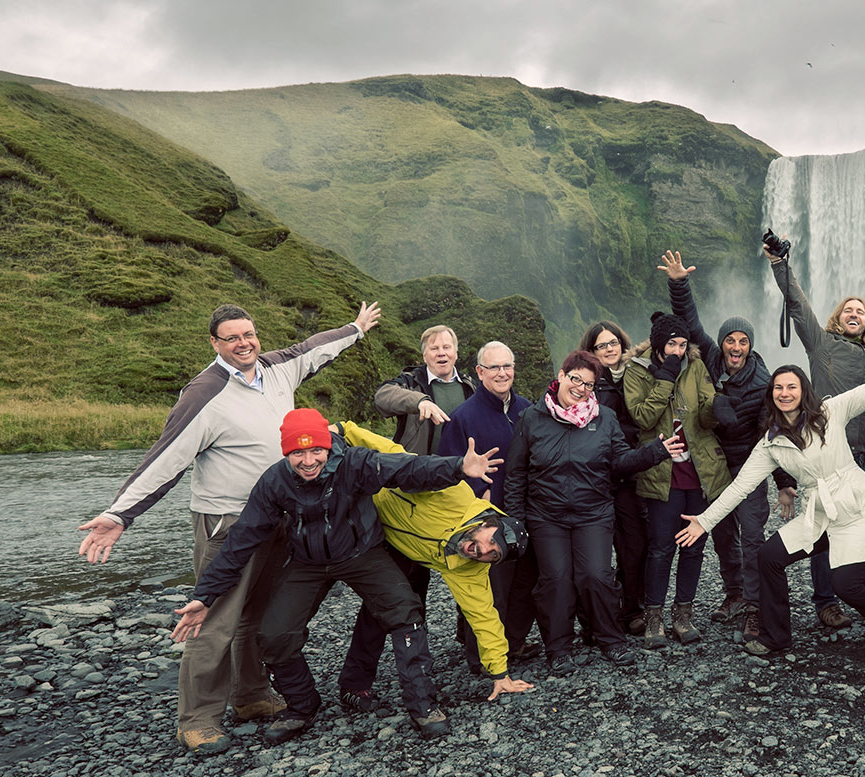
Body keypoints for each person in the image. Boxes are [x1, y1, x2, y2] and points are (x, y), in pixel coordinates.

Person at [77, 300, 381, 754]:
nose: (244, 343)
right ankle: (197, 718)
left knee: (257, 614)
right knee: (214, 617)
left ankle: (252, 696)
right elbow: (167, 457)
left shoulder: (277, 369)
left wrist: (355, 328)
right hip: (227, 520)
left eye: (249, 334)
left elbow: (314, 348)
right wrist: (122, 514)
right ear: (215, 343)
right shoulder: (204, 394)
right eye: (232, 337)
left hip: (280, 514)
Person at [170, 408, 504, 742]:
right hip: (306, 562)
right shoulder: (275, 482)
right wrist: (205, 596)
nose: (309, 460)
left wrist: (458, 466)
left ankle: (423, 705)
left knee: (405, 611)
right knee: (273, 633)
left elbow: (406, 468)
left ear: (329, 446)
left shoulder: (355, 464)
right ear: (286, 452)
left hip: (362, 554)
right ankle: (301, 705)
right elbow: (241, 541)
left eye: (316, 450)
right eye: (298, 453)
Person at [674, 328, 865, 656]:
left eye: (792, 387)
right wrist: (704, 521)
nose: (785, 393)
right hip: (819, 512)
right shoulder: (771, 442)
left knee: (846, 585)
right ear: (771, 394)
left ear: (803, 391)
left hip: (856, 505)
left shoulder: (830, 412)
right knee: (769, 557)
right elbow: (741, 486)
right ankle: (776, 636)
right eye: (779, 388)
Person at [766, 236, 865, 630]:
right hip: (830, 459)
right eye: (848, 310)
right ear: (838, 317)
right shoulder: (821, 345)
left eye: (861, 311)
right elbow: (798, 307)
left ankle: (862, 595)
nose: (855, 313)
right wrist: (779, 265)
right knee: (823, 530)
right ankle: (826, 601)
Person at [334, 422, 537, 710]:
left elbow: (484, 616)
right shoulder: (453, 494)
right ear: (486, 523)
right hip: (366, 508)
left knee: (407, 611)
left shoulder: (470, 567)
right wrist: (347, 431)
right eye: (490, 540)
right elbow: (398, 456)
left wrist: (500, 673)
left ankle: (415, 691)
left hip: (407, 550)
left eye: (494, 555)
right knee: (379, 611)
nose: (484, 551)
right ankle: (355, 684)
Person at [505, 350, 685, 674]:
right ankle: (558, 647)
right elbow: (516, 473)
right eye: (576, 379)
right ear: (561, 376)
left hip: (593, 511)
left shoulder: (604, 418)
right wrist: (516, 520)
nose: (581, 388)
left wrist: (655, 452)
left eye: (589, 384)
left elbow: (619, 462)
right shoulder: (532, 419)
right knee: (556, 580)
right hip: (547, 515)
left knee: (596, 576)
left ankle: (609, 639)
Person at [659, 250, 799, 643]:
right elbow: (689, 321)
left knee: (753, 536)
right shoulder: (710, 360)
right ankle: (735, 594)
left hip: (750, 467)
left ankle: (756, 609)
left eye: (742, 341)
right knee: (721, 534)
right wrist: (678, 283)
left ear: (750, 346)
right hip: (714, 466)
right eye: (730, 340)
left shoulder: (763, 382)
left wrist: (785, 480)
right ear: (721, 344)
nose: (735, 347)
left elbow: (776, 433)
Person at [624, 312, 732, 647]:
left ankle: (683, 615)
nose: (678, 351)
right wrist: (666, 379)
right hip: (662, 475)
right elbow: (642, 417)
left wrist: (718, 407)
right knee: (660, 548)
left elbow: (705, 410)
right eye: (672, 343)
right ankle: (653, 618)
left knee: (695, 546)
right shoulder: (636, 370)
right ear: (658, 343)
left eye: (683, 344)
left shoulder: (696, 367)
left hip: (699, 473)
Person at [437, 341, 539, 669]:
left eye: (507, 366)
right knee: (489, 589)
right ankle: (482, 656)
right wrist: (478, 493)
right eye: (494, 367)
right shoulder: (463, 418)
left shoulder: (527, 409)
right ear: (480, 372)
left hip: (526, 510)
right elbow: (448, 468)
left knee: (526, 580)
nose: (502, 373)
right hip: (486, 518)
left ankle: (514, 644)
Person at [579, 321, 649, 635]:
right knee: (594, 552)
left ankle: (633, 608)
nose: (609, 349)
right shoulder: (588, 383)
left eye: (614, 342)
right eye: (602, 345)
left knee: (634, 545)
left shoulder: (634, 375)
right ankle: (596, 617)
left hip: (630, 473)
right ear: (591, 351)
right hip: (595, 478)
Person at [374, 324, 474, 456]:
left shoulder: (470, 386)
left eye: (446, 347)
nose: (441, 353)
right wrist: (419, 402)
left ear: (455, 353)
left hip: (460, 472)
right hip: (417, 472)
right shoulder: (411, 381)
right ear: (424, 357)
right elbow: (382, 397)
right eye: (434, 348)